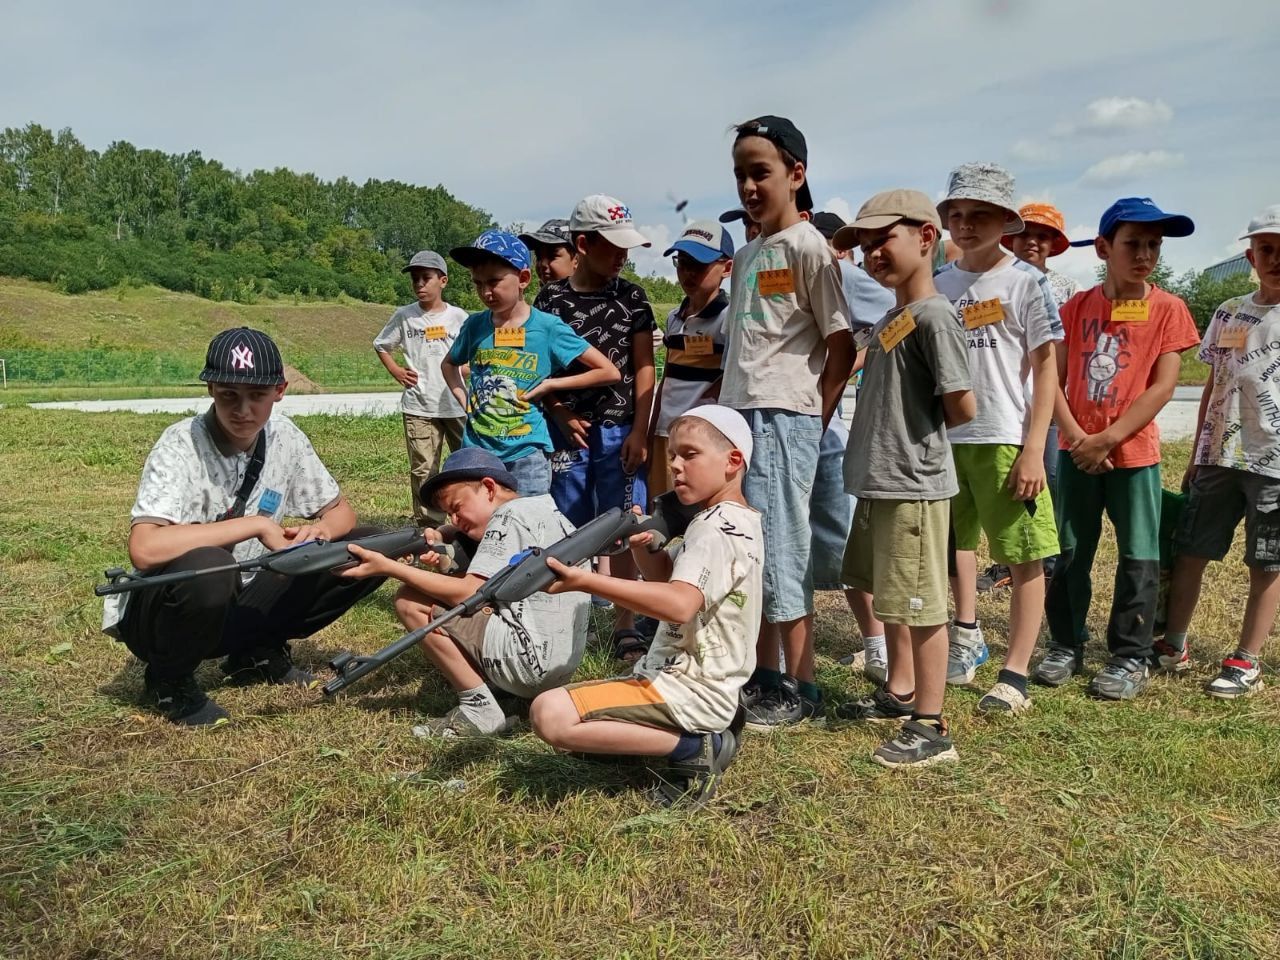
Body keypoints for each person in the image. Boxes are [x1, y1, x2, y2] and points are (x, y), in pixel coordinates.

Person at [102, 327, 388, 726]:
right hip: (169, 609)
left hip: (248, 592)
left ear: (280, 390)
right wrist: (254, 525)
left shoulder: (285, 437)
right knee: (210, 564)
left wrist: (317, 532)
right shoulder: (180, 444)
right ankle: (169, 678)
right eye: (228, 395)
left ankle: (256, 651)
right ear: (211, 391)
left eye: (257, 396)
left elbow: (342, 513)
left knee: (367, 544)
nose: (243, 410)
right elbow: (146, 548)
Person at [530, 406, 760, 807]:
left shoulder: (711, 530)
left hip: (687, 690)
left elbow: (680, 606)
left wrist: (586, 580)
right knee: (579, 719)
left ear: (733, 461)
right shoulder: (733, 521)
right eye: (672, 456)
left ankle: (694, 748)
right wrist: (647, 552)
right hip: (701, 682)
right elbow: (676, 589)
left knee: (549, 713)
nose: (675, 466)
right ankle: (651, 740)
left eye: (689, 455)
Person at [830, 191, 975, 766]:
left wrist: (911, 430)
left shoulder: (935, 316)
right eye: (864, 244)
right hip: (882, 481)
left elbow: (962, 404)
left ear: (925, 237)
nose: (872, 252)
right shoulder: (896, 316)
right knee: (892, 596)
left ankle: (931, 724)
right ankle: (902, 692)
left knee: (921, 606)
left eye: (882, 238)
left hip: (913, 482)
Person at [1035, 198, 1201, 699]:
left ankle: (1130, 655)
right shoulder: (1075, 307)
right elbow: (1052, 380)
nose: (1145, 254)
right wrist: (1078, 439)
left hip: (1134, 456)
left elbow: (1163, 385)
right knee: (1068, 551)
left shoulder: (1168, 308)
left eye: (1154, 245)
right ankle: (1066, 642)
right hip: (1075, 452)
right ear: (1104, 247)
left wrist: (1108, 438)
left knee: (1140, 554)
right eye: (1133, 243)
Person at [720, 115, 854, 728]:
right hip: (742, 416)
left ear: (796, 174)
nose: (750, 186)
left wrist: (816, 415)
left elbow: (841, 342)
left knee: (783, 548)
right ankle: (763, 674)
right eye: (741, 174)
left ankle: (803, 684)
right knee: (749, 547)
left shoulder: (808, 247)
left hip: (785, 415)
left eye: (762, 172)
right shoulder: (747, 254)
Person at [340, 448, 591, 737]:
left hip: (524, 667)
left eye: (457, 508)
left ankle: (479, 709)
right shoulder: (545, 510)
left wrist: (388, 568)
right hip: (559, 669)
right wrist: (445, 539)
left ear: (488, 487)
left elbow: (467, 592)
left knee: (411, 599)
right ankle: (496, 689)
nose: (455, 520)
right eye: (449, 515)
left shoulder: (508, 517)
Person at [932, 164, 1062, 714]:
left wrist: (1034, 448)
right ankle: (964, 640)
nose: (966, 225)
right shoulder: (939, 284)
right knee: (950, 546)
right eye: (956, 215)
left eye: (980, 214)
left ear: (1005, 221)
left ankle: (1016, 673)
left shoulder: (1025, 281)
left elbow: (1047, 368)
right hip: (944, 442)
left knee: (1021, 556)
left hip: (1004, 437)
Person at [533, 194, 657, 661]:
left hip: (620, 431)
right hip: (567, 433)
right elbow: (538, 366)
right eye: (613, 245)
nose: (623, 256)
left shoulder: (632, 298)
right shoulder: (550, 300)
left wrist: (641, 430)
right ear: (582, 243)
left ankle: (625, 623)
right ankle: (568, 618)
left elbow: (645, 368)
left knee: (623, 526)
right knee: (567, 526)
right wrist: (561, 412)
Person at [1162, 204, 1280, 698]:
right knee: (1192, 550)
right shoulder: (1229, 311)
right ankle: (1172, 643)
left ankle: (1245, 659)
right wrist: (1195, 454)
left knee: (1266, 561)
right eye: (1267, 250)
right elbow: (1212, 386)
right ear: (1250, 256)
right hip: (1219, 455)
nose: (1275, 258)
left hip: (1273, 462)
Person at [442, 230, 619, 496]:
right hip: (478, 452)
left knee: (529, 526)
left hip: (527, 454)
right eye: (478, 283)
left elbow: (608, 371)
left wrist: (550, 385)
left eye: (494, 282)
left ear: (523, 279)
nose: (485, 292)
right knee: (480, 527)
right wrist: (464, 401)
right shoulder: (475, 325)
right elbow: (449, 365)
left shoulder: (547, 328)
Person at [979, 202, 1082, 590]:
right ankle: (1007, 562)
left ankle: (1047, 562)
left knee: (1046, 479)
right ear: (1011, 238)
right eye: (1026, 234)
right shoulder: (993, 281)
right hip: (1001, 403)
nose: (1033, 242)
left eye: (1043, 236)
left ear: (1054, 244)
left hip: (1045, 401)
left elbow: (1064, 354)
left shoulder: (1067, 290)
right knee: (1002, 486)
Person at [813, 210, 895, 684]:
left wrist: (852, 362)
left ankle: (877, 643)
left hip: (824, 430)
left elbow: (892, 313)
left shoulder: (840, 273)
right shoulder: (759, 266)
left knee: (842, 537)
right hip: (771, 428)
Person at [374, 250, 470, 524]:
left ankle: (465, 519)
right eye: (415, 279)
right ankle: (430, 527)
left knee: (466, 463)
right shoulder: (405, 316)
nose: (419, 284)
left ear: (443, 281)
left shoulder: (458, 317)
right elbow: (382, 344)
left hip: (456, 403)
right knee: (424, 468)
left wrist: (467, 371)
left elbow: (467, 357)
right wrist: (395, 370)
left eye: (426, 278)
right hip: (419, 406)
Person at [648, 220, 733, 496]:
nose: (688, 273)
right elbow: (667, 378)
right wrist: (651, 429)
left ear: (727, 268)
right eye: (682, 263)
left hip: (700, 440)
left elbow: (728, 381)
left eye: (699, 265)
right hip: (665, 432)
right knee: (661, 506)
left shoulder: (728, 319)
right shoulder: (674, 318)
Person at [518, 219, 578, 286]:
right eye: (538, 256)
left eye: (552, 256)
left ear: (577, 260)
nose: (543, 264)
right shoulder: (543, 296)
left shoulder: (589, 295)